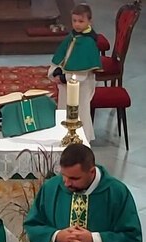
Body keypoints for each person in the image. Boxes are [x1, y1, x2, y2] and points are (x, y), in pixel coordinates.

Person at [48, 3, 101, 142]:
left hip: (80, 86)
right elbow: (65, 56)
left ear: (90, 21)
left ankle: (83, 140)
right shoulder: (73, 36)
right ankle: (65, 137)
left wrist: (64, 78)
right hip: (68, 83)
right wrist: (56, 70)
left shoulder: (89, 42)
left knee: (80, 113)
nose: (77, 24)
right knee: (64, 112)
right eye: (74, 21)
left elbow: (82, 72)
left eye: (81, 21)